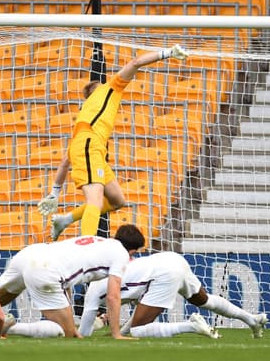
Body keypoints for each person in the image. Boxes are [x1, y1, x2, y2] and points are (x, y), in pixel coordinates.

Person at [39, 44, 188, 239]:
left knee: (117, 200)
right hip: (90, 146)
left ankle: (65, 219)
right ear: (96, 90)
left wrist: (55, 192)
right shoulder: (108, 90)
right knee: (95, 199)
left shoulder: (86, 113)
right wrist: (167, 53)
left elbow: (66, 161)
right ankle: (86, 249)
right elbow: (136, 63)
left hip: (90, 148)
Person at [0, 224, 146, 339]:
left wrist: (66, 309)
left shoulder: (98, 241)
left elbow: (67, 277)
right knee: (65, 332)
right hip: (45, 269)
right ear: (132, 250)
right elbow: (113, 296)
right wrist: (116, 333)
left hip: (31, 253)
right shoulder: (122, 254)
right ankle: (10, 326)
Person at [78, 250, 267, 339]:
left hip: (164, 273)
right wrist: (118, 332)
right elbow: (140, 310)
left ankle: (191, 326)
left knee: (139, 330)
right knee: (204, 300)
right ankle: (251, 319)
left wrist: (112, 331)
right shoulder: (115, 267)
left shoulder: (94, 290)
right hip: (171, 258)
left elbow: (83, 334)